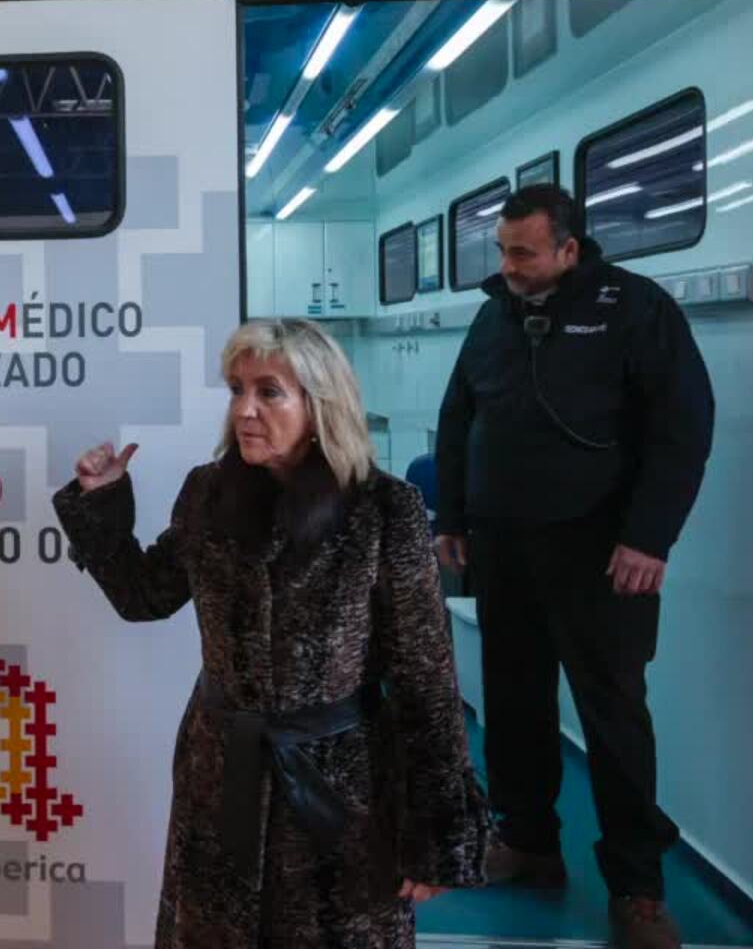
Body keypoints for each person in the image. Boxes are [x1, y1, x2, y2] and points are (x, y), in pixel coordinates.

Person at [53, 318, 490, 949]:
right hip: (220, 771)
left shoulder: (381, 509)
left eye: (268, 392)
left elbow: (424, 675)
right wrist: (104, 505)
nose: (244, 411)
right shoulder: (209, 494)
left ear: (319, 404)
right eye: (236, 390)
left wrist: (437, 830)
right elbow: (144, 597)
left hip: (342, 786)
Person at [433, 183, 714, 949]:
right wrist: (453, 517)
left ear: (569, 248)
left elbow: (682, 427)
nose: (509, 265)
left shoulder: (635, 307)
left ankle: (638, 888)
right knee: (514, 703)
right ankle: (527, 844)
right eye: (503, 250)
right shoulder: (497, 315)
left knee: (613, 714)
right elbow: (460, 415)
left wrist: (650, 536)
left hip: (604, 555)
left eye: (523, 252)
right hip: (505, 546)